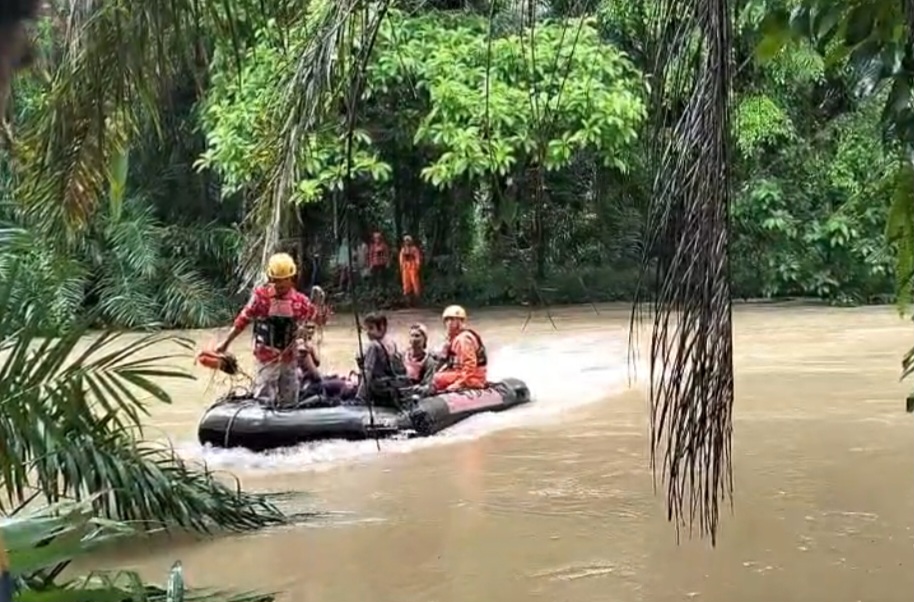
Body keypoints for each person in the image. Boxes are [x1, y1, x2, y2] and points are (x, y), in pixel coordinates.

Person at [215, 252, 316, 407]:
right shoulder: (260, 298)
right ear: (270, 279)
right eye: (277, 281)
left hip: (289, 357)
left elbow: (312, 321)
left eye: (285, 281)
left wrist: (308, 337)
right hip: (266, 357)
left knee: (289, 393)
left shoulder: (300, 302)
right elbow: (243, 320)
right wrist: (225, 343)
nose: (281, 285)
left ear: (292, 279)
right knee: (264, 392)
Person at [432, 305, 488, 392]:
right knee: (434, 376)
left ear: (460, 322)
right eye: (447, 320)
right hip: (461, 373)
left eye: (452, 320)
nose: (449, 323)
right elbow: (446, 360)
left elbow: (470, 365)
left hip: (473, 377)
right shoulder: (453, 339)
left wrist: (458, 383)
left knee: (436, 379)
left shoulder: (463, 339)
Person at [357, 311, 408, 405]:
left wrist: (359, 397)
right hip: (391, 387)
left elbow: (368, 371)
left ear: (382, 327)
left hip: (379, 388)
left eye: (371, 328)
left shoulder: (375, 346)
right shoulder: (391, 343)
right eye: (367, 329)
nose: (368, 332)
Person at [398, 235, 422, 304]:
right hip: (406, 267)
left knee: (415, 281)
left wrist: (417, 265)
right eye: (406, 241)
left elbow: (417, 257)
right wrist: (401, 266)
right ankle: (407, 299)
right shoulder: (403, 249)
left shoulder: (414, 249)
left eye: (408, 240)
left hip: (413, 266)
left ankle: (417, 298)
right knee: (406, 282)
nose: (407, 242)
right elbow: (401, 259)